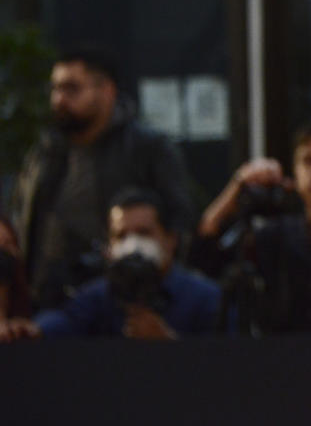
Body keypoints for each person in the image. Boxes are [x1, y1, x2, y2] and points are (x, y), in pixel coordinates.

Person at [10, 46, 195, 309]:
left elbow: (179, 225)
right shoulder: (43, 154)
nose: (59, 100)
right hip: (49, 300)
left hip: (120, 300)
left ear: (107, 91)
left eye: (71, 89)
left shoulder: (147, 148)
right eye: (55, 89)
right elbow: (22, 224)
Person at [195, 119, 311, 332]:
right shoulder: (275, 236)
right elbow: (205, 257)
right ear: (295, 172)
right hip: (278, 359)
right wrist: (238, 186)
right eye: (308, 161)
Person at [1, 187, 219, 340]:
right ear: (109, 246)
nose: (133, 244)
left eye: (144, 233)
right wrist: (30, 331)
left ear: (170, 239)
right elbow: (64, 321)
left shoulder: (205, 298)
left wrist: (167, 343)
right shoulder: (97, 297)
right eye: (122, 236)